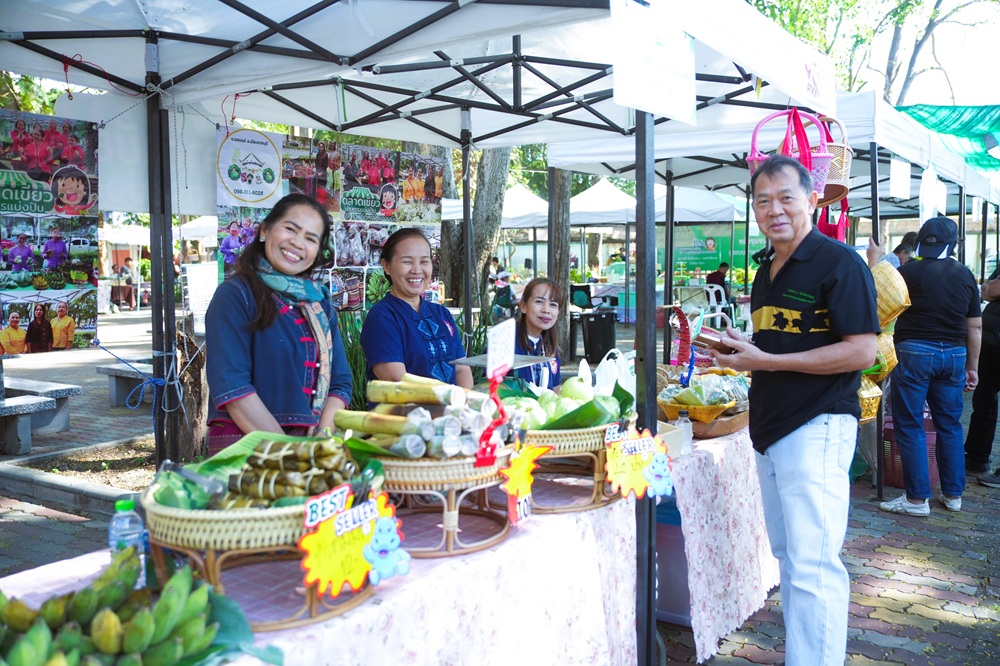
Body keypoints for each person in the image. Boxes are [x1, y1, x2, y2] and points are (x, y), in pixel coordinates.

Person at [711, 155, 879, 666]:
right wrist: (747, 348)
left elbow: (862, 351)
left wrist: (767, 360)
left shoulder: (839, 262)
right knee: (789, 557)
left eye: (786, 197)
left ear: (812, 199)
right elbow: (780, 343)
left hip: (817, 424)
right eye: (763, 201)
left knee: (813, 565)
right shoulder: (767, 268)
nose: (774, 210)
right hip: (770, 429)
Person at [205, 193, 353, 455]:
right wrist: (292, 454)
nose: (297, 242)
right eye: (290, 229)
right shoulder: (235, 295)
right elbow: (232, 386)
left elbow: (340, 383)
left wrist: (320, 444)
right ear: (264, 230)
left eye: (311, 239)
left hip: (309, 453)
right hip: (247, 451)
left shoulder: (320, 304)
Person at [880, 216, 981, 516]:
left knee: (910, 423)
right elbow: (974, 326)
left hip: (914, 351)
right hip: (954, 355)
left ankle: (916, 500)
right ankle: (953, 495)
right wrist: (973, 367)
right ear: (953, 244)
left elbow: (882, 307)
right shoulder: (965, 274)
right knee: (949, 424)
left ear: (921, 242)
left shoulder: (906, 272)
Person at [360, 228, 473, 388]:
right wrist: (448, 401)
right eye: (407, 261)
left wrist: (467, 400)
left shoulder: (441, 313)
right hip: (409, 405)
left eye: (424, 261)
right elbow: (398, 381)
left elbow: (461, 369)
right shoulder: (382, 317)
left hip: (454, 404)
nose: (417, 270)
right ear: (386, 266)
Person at [966, 267, 1000, 485]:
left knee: (985, 401)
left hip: (994, 340)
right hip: (991, 342)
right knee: (983, 402)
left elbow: (992, 290)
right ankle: (976, 458)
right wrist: (990, 287)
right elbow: (986, 292)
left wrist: (991, 287)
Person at [511, 278, 562, 391]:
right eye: (539, 301)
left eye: (553, 304)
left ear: (558, 312)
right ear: (523, 306)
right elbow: (489, 388)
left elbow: (555, 393)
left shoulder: (551, 348)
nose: (546, 310)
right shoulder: (505, 342)